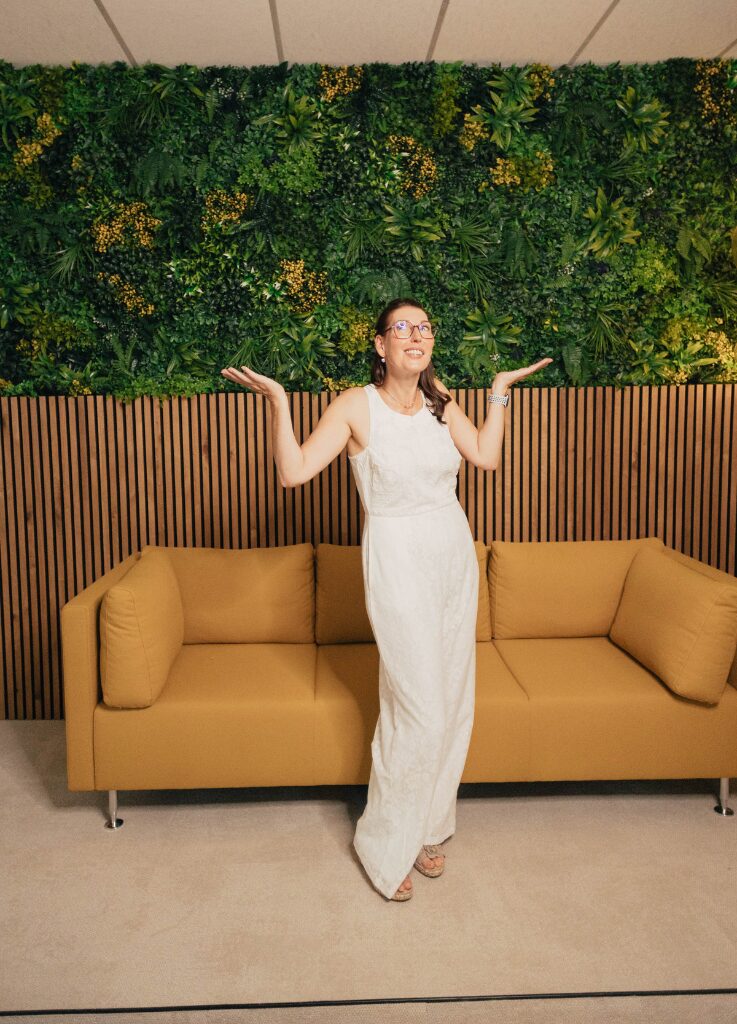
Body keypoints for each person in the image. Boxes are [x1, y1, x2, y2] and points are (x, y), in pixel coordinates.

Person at [221, 297, 552, 901]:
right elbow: (294, 471)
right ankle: (385, 844)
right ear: (380, 344)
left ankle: (429, 827)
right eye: (402, 327)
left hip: (452, 556)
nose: (415, 335)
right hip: (396, 560)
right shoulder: (355, 405)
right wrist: (280, 403)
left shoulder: (441, 399)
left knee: (452, 702)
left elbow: (485, 457)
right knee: (418, 708)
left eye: (424, 327)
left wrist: (499, 393)